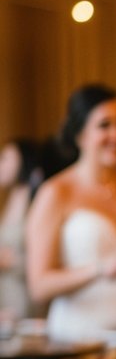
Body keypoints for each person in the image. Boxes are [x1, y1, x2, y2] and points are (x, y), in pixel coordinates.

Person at [26, 83, 116, 341]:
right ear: (80, 135)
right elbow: (39, 286)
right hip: (80, 336)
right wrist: (99, 269)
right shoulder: (56, 192)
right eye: (104, 125)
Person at [0, 138, 42, 321]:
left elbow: (45, 257)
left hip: (25, 299)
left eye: (5, 158)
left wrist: (11, 261)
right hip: (6, 294)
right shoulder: (8, 201)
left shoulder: (36, 199)